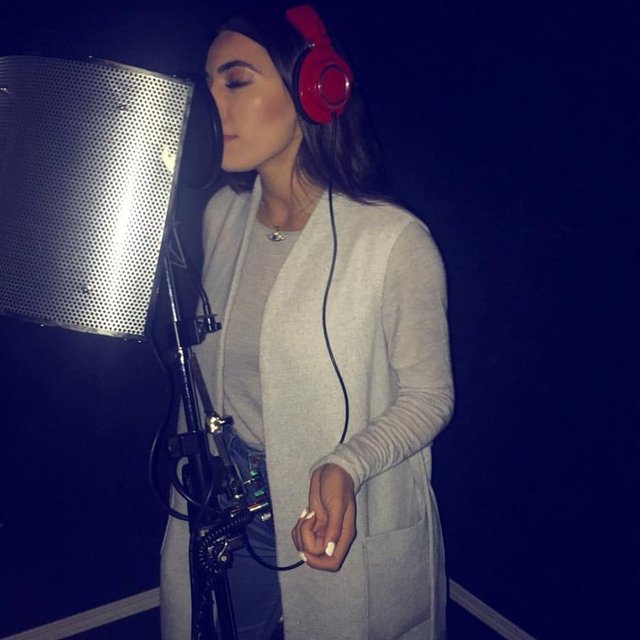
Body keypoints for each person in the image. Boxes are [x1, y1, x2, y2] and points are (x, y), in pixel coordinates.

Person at [160, 3, 454, 639]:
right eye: (208, 86)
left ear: (315, 91)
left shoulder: (394, 241)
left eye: (236, 82)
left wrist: (348, 463)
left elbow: (429, 395)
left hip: (330, 507)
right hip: (224, 500)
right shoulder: (220, 215)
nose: (212, 107)